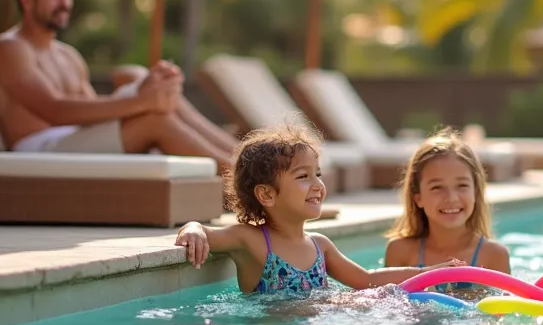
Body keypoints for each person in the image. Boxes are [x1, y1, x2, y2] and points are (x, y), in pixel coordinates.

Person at [0, 0, 235, 173]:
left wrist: (144, 94)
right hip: (39, 151)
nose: (66, 3)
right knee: (154, 120)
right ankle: (247, 188)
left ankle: (245, 160)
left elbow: (90, 111)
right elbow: (54, 111)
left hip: (72, 141)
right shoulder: (10, 49)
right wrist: (141, 102)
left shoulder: (66, 55)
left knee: (157, 88)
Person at [175, 122, 463, 295]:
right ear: (266, 194)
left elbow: (368, 280)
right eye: (303, 177)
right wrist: (193, 228)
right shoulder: (249, 239)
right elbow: (202, 231)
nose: (317, 185)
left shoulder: (320, 245)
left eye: (318, 174)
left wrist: (432, 272)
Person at [383, 129, 511, 291]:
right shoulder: (400, 251)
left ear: (476, 192)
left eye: (462, 186)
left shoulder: (494, 255)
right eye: (437, 187)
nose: (451, 198)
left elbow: (503, 311)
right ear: (418, 197)